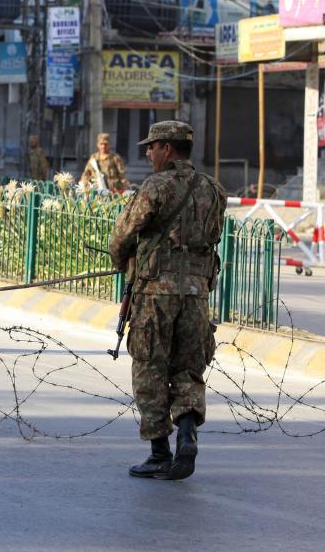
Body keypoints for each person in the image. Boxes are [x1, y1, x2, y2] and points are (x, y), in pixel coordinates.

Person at [108, 120, 226, 481]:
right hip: (196, 296)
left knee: (149, 367)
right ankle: (187, 434)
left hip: (155, 295)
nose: (148, 152)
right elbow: (213, 238)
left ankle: (159, 451)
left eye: (152, 147)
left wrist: (123, 262)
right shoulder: (214, 190)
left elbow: (122, 235)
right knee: (189, 368)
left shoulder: (155, 187)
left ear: (168, 150)